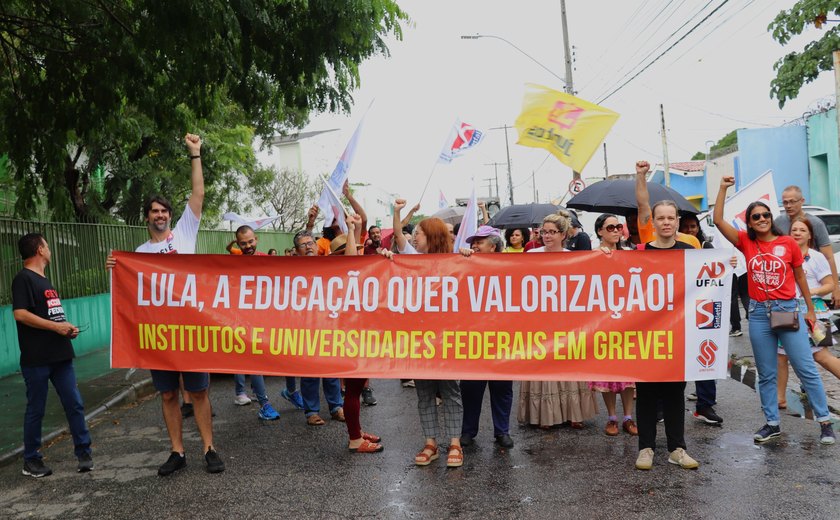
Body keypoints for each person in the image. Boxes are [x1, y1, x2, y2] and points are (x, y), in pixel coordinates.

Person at [107, 133, 224, 475]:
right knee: (169, 395)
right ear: (147, 218)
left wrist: (195, 154)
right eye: (154, 211)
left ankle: (209, 447)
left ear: (171, 216)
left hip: (189, 329)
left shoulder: (185, 234)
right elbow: (130, 294)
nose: (159, 215)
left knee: (199, 392)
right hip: (160, 336)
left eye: (164, 210)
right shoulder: (140, 255)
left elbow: (198, 193)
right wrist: (115, 270)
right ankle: (177, 452)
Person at [713, 176, 835, 445]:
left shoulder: (788, 243)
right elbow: (718, 220)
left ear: (771, 217)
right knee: (767, 373)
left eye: (766, 214)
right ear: (750, 221)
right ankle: (771, 423)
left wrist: (809, 310)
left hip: (788, 309)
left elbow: (801, 276)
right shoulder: (746, 242)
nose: (762, 219)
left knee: (806, 368)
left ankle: (825, 422)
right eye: (756, 216)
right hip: (757, 314)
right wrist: (722, 189)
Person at [383, 199, 464, 468]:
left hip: (447, 340)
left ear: (432, 237)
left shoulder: (456, 262)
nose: (413, 237)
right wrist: (396, 213)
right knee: (424, 392)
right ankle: (431, 443)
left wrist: (470, 260)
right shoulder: (411, 261)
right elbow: (397, 235)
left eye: (418, 233)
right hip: (418, 340)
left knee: (450, 392)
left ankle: (455, 443)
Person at [13, 233, 93, 478]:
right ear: (39, 249)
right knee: (36, 409)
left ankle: (83, 453)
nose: (50, 249)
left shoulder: (45, 281)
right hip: (37, 358)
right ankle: (31, 460)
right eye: (47, 245)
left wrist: (66, 327)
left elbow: (52, 316)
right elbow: (21, 314)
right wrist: (56, 327)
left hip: (60, 355)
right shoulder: (23, 279)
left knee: (75, 403)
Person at [634, 200, 700, 470]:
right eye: (660, 218)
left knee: (675, 393)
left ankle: (677, 448)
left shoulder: (690, 252)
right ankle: (645, 448)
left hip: (678, 335)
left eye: (670, 217)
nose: (666, 222)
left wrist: (726, 263)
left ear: (677, 220)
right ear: (654, 222)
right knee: (646, 393)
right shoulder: (638, 254)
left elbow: (708, 280)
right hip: (646, 335)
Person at [518, 211, 598, 430]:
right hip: (539, 319)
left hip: (567, 319)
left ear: (563, 234)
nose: (547, 236)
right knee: (543, 363)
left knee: (569, 362)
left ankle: (574, 413)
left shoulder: (574, 257)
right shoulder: (531, 256)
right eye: (544, 232)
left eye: (552, 232)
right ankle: (545, 415)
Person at [458, 228, 514, 448]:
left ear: (493, 245)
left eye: (479, 242)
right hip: (473, 338)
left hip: (502, 338)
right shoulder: (466, 264)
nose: (474, 246)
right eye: (473, 242)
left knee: (502, 389)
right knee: (471, 388)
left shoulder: (510, 267)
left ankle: (502, 431)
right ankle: (468, 431)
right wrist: (460, 260)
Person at [777, 216, 840, 409]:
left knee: (821, 355)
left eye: (802, 230)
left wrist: (809, 292)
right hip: (785, 309)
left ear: (810, 235)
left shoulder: (817, 256)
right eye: (794, 230)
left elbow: (829, 284)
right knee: (780, 355)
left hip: (815, 311)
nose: (797, 233)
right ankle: (779, 398)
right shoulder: (782, 255)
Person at [334, 213, 384, 453]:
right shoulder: (342, 274)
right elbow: (351, 260)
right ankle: (355, 439)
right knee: (353, 389)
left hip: (358, 335)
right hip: (350, 338)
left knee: (356, 387)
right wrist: (352, 229)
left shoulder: (349, 276)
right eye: (350, 248)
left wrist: (353, 228)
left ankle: (357, 431)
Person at [590, 214, 638, 437]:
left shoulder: (631, 253)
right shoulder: (590, 255)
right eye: (610, 227)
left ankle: (628, 417)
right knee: (606, 371)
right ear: (600, 231)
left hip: (628, 319)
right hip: (602, 321)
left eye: (619, 226)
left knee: (628, 371)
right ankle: (611, 417)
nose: (616, 230)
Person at [293, 231, 345, 426]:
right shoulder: (292, 270)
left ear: (317, 245)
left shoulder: (330, 265)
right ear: (297, 251)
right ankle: (311, 411)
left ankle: (336, 407)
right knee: (310, 372)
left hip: (329, 324)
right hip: (305, 327)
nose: (308, 247)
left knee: (332, 368)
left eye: (310, 243)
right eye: (303, 245)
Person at [678, 213, 725, 426]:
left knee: (704, 354)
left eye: (693, 226)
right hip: (674, 311)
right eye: (685, 227)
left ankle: (705, 404)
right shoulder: (669, 247)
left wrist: (729, 262)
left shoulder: (706, 247)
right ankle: (665, 406)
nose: (690, 230)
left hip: (700, 309)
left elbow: (719, 270)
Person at [229, 226, 280, 420]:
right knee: (253, 360)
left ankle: (291, 391)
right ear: (238, 243)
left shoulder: (267, 261)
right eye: (243, 243)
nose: (248, 246)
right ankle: (264, 403)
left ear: (256, 239)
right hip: (243, 322)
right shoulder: (232, 265)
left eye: (250, 242)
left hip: (266, 318)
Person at [776, 185, 839, 306]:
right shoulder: (778, 222)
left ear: (802, 201)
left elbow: (829, 257)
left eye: (792, 202)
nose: (788, 206)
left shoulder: (815, 223)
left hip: (811, 282)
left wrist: (836, 288)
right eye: (785, 202)